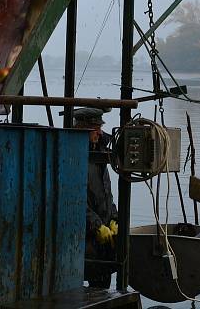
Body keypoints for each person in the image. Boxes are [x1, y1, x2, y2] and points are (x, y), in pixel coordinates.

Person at [74, 107, 118, 289]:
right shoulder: (74, 156)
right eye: (95, 128)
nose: (99, 132)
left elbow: (107, 195)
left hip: (103, 241)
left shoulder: (101, 155)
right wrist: (96, 225)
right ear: (82, 129)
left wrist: (115, 218)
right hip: (83, 240)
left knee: (102, 288)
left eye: (100, 128)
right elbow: (74, 200)